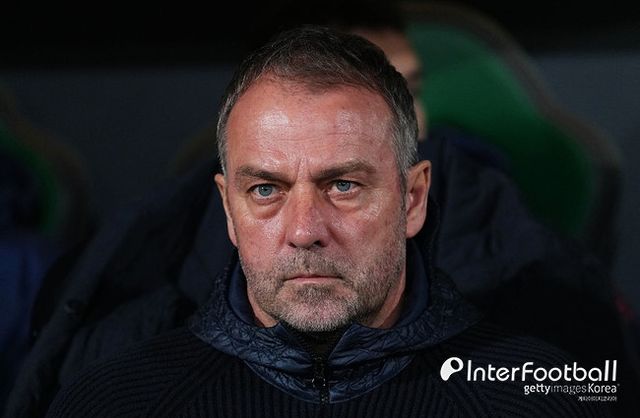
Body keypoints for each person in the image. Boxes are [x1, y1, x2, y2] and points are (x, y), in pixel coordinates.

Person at [42, 26, 611, 417]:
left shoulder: (542, 399)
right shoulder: (114, 403)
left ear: (413, 200)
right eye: (266, 190)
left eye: (343, 186)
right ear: (229, 210)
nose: (304, 230)